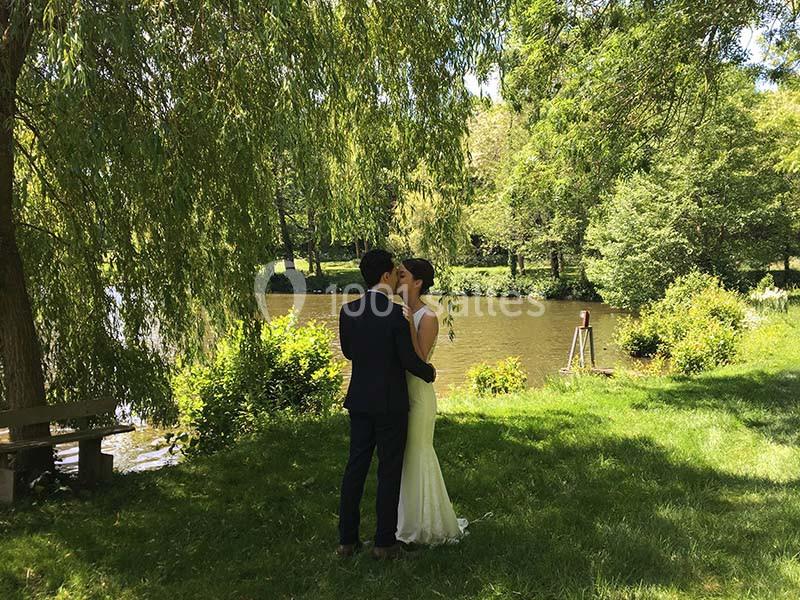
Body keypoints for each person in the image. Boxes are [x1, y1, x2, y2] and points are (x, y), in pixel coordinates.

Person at [336, 249, 436, 560]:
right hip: (391, 403)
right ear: (384, 277)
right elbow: (409, 360)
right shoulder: (395, 314)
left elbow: (350, 354)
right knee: (388, 471)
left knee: (356, 467)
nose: (396, 278)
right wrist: (429, 373)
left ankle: (347, 541)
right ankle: (384, 543)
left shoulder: (348, 311)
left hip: (360, 400)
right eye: (394, 273)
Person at [395, 258, 468, 545]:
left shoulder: (426, 317)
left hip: (418, 394)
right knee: (402, 458)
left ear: (417, 282)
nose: (397, 279)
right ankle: (405, 520)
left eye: (403, 275)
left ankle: (425, 525)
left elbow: (420, 359)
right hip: (397, 393)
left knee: (418, 453)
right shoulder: (394, 310)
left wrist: (406, 324)